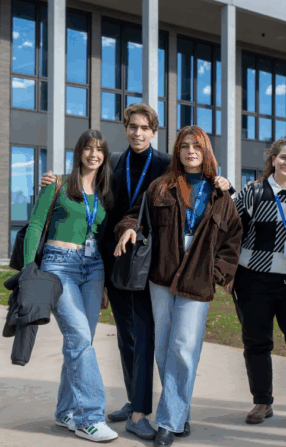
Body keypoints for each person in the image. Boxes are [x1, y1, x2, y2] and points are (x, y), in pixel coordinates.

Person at [40, 103, 231, 441]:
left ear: (154, 132)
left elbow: (202, 188)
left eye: (144, 128)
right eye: (132, 127)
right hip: (111, 259)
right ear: (125, 128)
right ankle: (133, 401)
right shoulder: (113, 162)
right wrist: (54, 180)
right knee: (126, 337)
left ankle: (144, 411)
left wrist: (223, 181)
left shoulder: (166, 165)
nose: (137, 133)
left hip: (152, 264)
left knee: (145, 336)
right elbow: (85, 184)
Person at [114, 125, 242, 447]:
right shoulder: (161, 186)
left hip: (197, 279)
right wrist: (128, 228)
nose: (190, 152)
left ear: (206, 151)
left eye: (196, 146)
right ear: (177, 151)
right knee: (164, 347)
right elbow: (134, 216)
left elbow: (233, 238)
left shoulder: (220, 194)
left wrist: (216, 272)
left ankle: (168, 423)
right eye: (184, 146)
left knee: (184, 348)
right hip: (161, 276)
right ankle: (179, 412)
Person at [25, 129, 118, 442]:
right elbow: (35, 226)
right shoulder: (57, 184)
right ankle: (90, 417)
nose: (94, 154)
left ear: (105, 156)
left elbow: (103, 239)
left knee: (81, 342)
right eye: (88, 148)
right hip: (58, 265)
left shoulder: (105, 193)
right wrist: (28, 270)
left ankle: (66, 411)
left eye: (99, 149)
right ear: (79, 152)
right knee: (79, 338)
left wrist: (104, 286)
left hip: (93, 269)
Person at [227, 137, 286, 426]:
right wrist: (227, 271)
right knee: (257, 343)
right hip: (253, 280)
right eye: (283, 157)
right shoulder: (253, 192)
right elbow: (228, 229)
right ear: (273, 160)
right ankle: (262, 402)